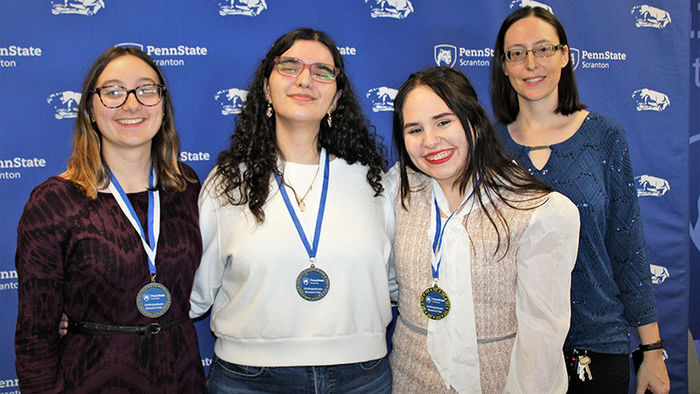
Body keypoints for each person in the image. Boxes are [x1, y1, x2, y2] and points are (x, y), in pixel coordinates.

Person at [189, 28, 393, 393]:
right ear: (266, 89)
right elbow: (194, 291)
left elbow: (399, 281)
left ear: (336, 98)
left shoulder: (373, 182)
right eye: (290, 66)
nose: (304, 79)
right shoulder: (228, 184)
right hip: (248, 379)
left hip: (361, 377)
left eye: (322, 71)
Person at [490, 6, 670, 393]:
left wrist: (652, 349)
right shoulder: (486, 146)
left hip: (596, 347)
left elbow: (628, 249)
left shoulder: (605, 136)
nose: (531, 63)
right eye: (516, 53)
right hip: (509, 348)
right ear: (504, 66)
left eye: (543, 49)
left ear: (565, 55)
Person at [14, 46, 206, 392]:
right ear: (90, 108)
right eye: (113, 92)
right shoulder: (54, 202)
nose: (131, 104)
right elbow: (35, 335)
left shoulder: (187, 187)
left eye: (146, 90)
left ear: (163, 104)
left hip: (182, 379)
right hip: (93, 381)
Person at [386, 66, 580, 393]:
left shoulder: (538, 211)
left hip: (497, 381)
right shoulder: (398, 190)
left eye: (444, 121)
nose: (430, 141)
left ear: (474, 122)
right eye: (414, 129)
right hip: (409, 378)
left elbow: (542, 334)